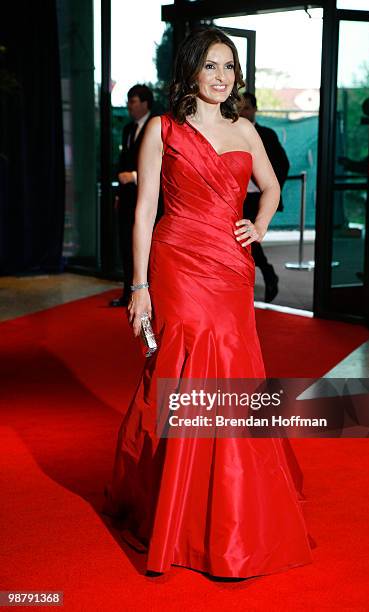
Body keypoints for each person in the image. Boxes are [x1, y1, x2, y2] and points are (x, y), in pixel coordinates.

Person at [102, 28, 313, 579]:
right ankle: (176, 504)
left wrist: (259, 226)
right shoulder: (162, 129)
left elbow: (272, 188)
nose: (222, 77)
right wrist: (140, 287)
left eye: (230, 67)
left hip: (229, 267)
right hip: (177, 265)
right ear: (191, 69)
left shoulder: (244, 129)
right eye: (212, 66)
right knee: (185, 365)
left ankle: (226, 509)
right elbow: (144, 210)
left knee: (234, 368)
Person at [110, 84, 162, 307]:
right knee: (126, 246)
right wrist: (120, 195)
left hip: (150, 199)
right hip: (128, 198)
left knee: (148, 248)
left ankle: (152, 293)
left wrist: (133, 176)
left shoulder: (158, 127)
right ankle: (128, 293)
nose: (129, 106)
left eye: (133, 101)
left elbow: (162, 166)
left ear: (145, 103)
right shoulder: (128, 129)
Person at [240, 92, 290, 302]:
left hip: (257, 197)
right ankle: (267, 275)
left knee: (247, 240)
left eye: (247, 108)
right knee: (245, 241)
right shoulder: (229, 133)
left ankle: (268, 275)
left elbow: (283, 164)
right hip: (237, 197)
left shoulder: (267, 135)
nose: (243, 112)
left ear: (254, 110)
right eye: (239, 108)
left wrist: (269, 189)